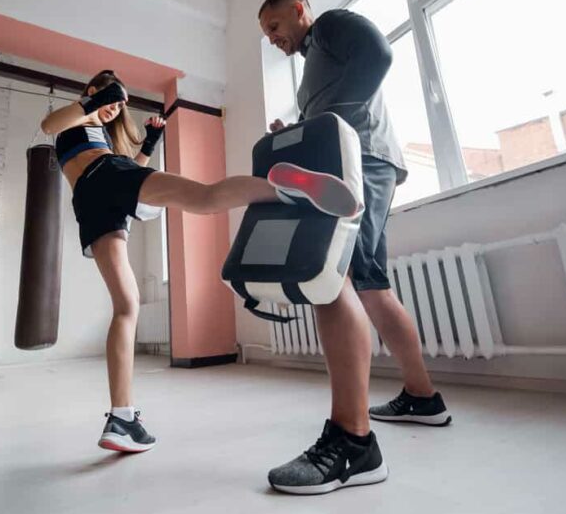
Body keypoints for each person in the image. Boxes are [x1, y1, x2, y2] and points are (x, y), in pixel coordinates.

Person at [40, 69, 362, 453]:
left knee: (136, 294)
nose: (113, 110)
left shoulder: (97, 134)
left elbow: (130, 168)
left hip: (97, 199)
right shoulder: (77, 120)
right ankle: (283, 191)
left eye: (118, 105)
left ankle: (121, 417)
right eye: (110, 99)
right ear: (92, 91)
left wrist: (152, 141)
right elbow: (49, 124)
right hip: (100, 188)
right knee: (196, 211)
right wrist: (96, 102)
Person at [257, 0, 452, 494]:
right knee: (370, 283)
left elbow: (378, 55)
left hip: (363, 160)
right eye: (267, 35)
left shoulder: (333, 26)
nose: (273, 39)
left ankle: (353, 440)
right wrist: (300, 127)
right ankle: (422, 397)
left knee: (333, 273)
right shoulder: (315, 58)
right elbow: (336, 111)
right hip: (358, 160)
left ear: (299, 10)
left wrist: (329, 122)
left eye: (275, 26)